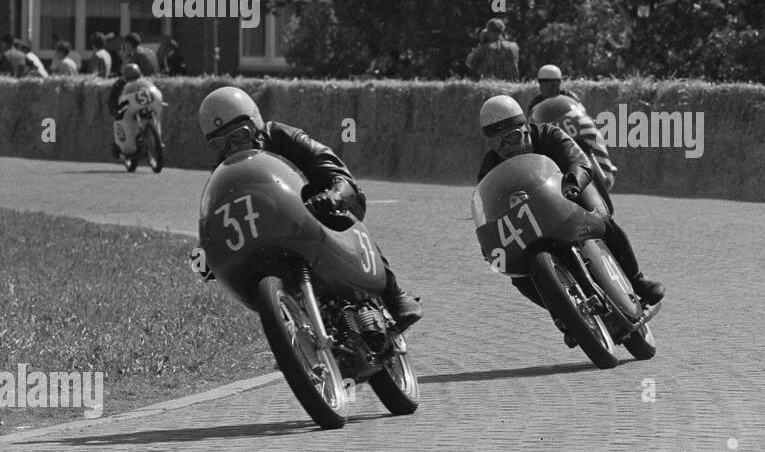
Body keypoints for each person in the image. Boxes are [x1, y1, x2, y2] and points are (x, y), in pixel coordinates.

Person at [196, 86, 423, 332]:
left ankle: (394, 294)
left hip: (318, 205)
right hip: (270, 231)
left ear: (255, 126)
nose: (232, 148)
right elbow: (219, 219)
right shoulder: (223, 171)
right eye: (219, 144)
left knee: (339, 215)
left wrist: (334, 195)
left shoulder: (285, 137)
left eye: (239, 135)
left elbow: (336, 172)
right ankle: (294, 340)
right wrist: (204, 254)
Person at [476, 95, 663, 317]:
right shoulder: (490, 166)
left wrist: (573, 183)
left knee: (605, 220)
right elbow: (489, 209)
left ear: (526, 128)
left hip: (569, 195)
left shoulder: (549, 135)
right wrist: (490, 242)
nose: (504, 147)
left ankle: (637, 280)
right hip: (530, 220)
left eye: (511, 138)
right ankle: (563, 315)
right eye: (495, 142)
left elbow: (579, 162)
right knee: (518, 276)